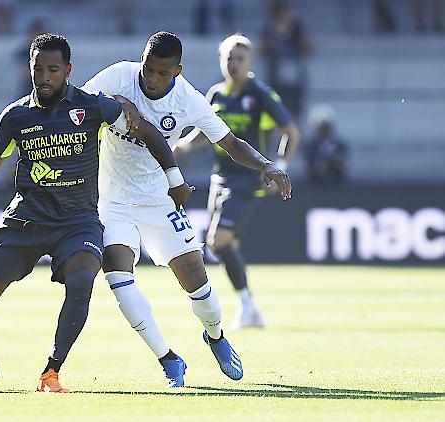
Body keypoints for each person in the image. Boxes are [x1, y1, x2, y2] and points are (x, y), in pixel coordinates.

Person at [0, 33, 193, 393]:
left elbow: (150, 134)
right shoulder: (15, 117)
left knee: (82, 278)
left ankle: (51, 372)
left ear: (68, 70)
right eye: (37, 69)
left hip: (78, 223)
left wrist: (175, 180)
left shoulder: (93, 107)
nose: (44, 77)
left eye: (53, 69)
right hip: (26, 221)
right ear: (29, 70)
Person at [82, 32, 292, 387]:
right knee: (118, 278)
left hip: (161, 201)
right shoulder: (119, 76)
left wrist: (267, 165)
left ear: (177, 71)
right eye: (148, 69)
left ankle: (216, 335)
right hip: (114, 202)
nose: (151, 79)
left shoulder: (188, 99)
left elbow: (232, 144)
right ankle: (168, 359)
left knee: (195, 277)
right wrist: (114, 102)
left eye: (162, 73)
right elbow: (76, 104)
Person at [175, 33, 299, 329]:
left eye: (240, 58)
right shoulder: (216, 95)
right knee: (217, 245)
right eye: (228, 57)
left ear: (250, 62)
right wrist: (183, 146)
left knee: (218, 241)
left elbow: (291, 131)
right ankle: (249, 307)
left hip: (248, 178)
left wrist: (278, 168)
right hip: (220, 178)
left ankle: (247, 305)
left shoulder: (261, 94)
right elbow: (207, 132)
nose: (234, 63)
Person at [259, 0, 312, 120]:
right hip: (276, 76)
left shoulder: (297, 27)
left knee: (295, 112)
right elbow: (262, 51)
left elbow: (309, 49)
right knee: (274, 109)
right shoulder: (269, 28)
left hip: (295, 77)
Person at [304, 104, 348, 184]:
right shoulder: (310, 145)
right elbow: (310, 168)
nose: (324, 130)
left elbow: (342, 166)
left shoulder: (340, 145)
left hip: (337, 185)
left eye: (327, 126)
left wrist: (334, 160)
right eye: (322, 127)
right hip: (315, 186)